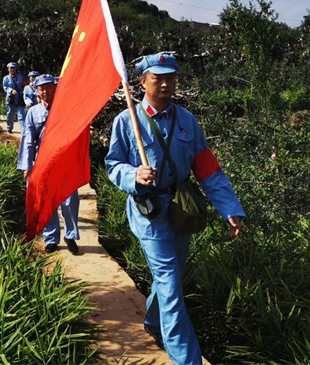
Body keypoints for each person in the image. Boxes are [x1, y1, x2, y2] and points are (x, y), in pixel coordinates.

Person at [105, 53, 245, 365]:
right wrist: (133, 175)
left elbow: (208, 170)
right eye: (158, 77)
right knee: (169, 282)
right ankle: (188, 360)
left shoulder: (187, 121)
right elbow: (113, 164)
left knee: (170, 278)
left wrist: (230, 209)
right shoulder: (127, 121)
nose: (166, 83)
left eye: (171, 77)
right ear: (143, 81)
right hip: (149, 212)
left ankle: (154, 323)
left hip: (182, 211)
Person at [18, 74, 80, 255]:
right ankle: (51, 238)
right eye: (41, 88)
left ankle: (71, 235)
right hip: (43, 162)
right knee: (46, 201)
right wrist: (27, 166)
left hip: (64, 162)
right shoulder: (33, 112)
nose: (45, 91)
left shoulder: (67, 109)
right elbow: (28, 140)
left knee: (70, 201)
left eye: (49, 87)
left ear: (55, 88)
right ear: (36, 91)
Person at [3, 62, 26, 134]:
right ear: (8, 69)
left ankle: (23, 131)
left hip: (19, 97)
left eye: (14, 68)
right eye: (11, 68)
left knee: (21, 114)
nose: (12, 70)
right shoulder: (6, 78)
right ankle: (9, 128)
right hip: (11, 98)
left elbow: (23, 86)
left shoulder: (20, 77)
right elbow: (5, 87)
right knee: (10, 114)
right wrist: (11, 90)